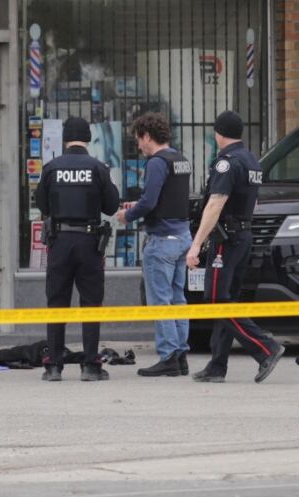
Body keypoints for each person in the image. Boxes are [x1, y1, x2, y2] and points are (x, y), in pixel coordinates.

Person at [186, 111, 285, 383]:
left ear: (219, 133)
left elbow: (215, 203)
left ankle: (267, 348)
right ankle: (217, 366)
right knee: (228, 300)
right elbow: (254, 203)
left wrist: (195, 246)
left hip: (226, 241)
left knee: (216, 300)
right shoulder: (251, 160)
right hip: (243, 237)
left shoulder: (226, 163)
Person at [35, 117, 120, 381]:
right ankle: (91, 366)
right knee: (91, 303)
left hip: (59, 241)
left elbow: (43, 206)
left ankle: (54, 366)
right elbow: (111, 206)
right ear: (87, 137)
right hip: (89, 242)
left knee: (56, 303)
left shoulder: (51, 167)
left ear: (64, 138)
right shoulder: (97, 167)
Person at [116, 112, 192, 377]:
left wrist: (128, 215)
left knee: (160, 300)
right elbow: (167, 198)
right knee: (178, 299)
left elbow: (149, 202)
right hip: (182, 236)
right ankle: (181, 356)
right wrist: (139, 206)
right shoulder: (180, 159)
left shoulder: (157, 163)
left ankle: (168, 356)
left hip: (161, 240)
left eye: (139, 139)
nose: (139, 146)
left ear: (147, 136)